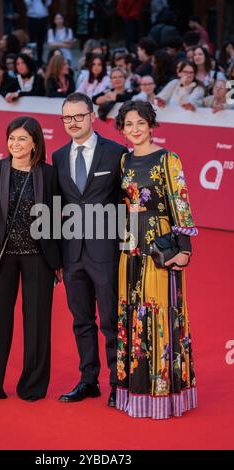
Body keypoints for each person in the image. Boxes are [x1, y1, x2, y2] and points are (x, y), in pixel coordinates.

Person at [115, 100, 198, 419]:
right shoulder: (124, 161)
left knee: (159, 310)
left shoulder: (168, 159)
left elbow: (181, 202)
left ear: (151, 124)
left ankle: (163, 392)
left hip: (159, 244)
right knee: (131, 310)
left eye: (140, 123)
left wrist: (184, 249)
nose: (135, 130)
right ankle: (133, 390)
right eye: (128, 124)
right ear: (122, 129)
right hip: (129, 243)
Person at [0, 116, 62, 401]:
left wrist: (58, 261)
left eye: (22, 138)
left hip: (39, 256)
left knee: (37, 324)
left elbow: (57, 219)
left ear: (36, 142)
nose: (15, 144)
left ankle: (32, 387)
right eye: (11, 138)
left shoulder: (48, 175)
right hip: (1, 257)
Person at [52, 92, 127, 407]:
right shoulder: (57, 156)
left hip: (107, 251)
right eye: (67, 117)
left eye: (78, 116)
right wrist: (56, 257)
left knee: (111, 319)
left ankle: (117, 383)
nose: (73, 122)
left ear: (92, 115)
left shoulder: (116, 153)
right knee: (81, 319)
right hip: (72, 254)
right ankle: (88, 381)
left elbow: (128, 202)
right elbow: (56, 206)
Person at [24, 0, 52, 66]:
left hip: (43, 18)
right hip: (32, 18)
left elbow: (49, 3)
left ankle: (40, 60)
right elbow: (27, 3)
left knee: (41, 41)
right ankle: (31, 59)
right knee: (32, 41)